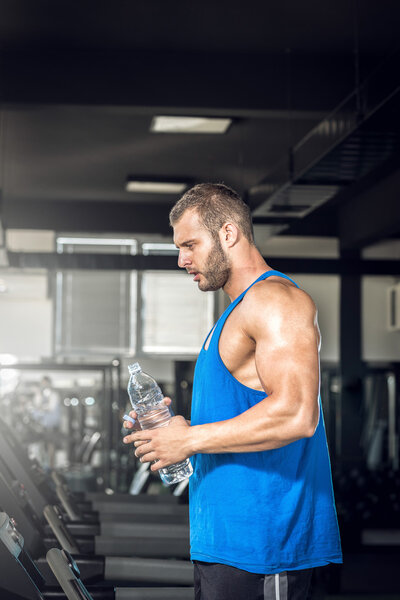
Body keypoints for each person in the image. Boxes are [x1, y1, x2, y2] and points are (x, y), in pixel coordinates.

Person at [123, 183, 342, 600]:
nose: (181, 259)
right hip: (222, 544)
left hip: (264, 548)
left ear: (228, 234)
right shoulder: (234, 314)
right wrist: (173, 429)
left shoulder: (276, 301)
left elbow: (297, 415)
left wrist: (189, 440)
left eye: (190, 244)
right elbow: (241, 414)